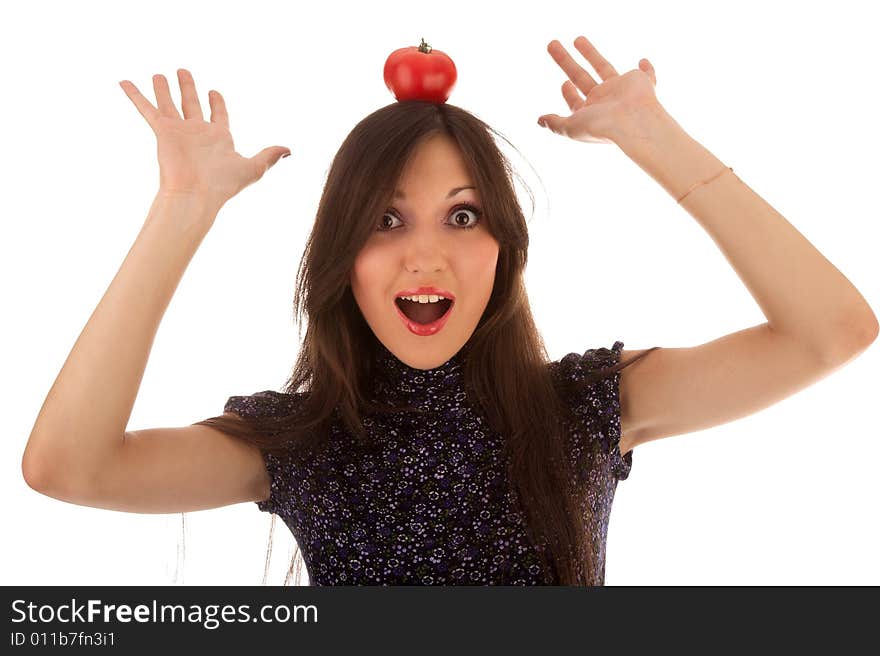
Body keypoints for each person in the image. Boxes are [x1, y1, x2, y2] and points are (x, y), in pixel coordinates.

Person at [22, 37, 878, 586]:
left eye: (462, 216)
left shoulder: (584, 408)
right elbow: (68, 467)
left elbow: (832, 330)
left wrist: (651, 135)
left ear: (503, 248)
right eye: (386, 220)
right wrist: (183, 210)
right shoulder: (300, 444)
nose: (425, 255)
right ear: (341, 259)